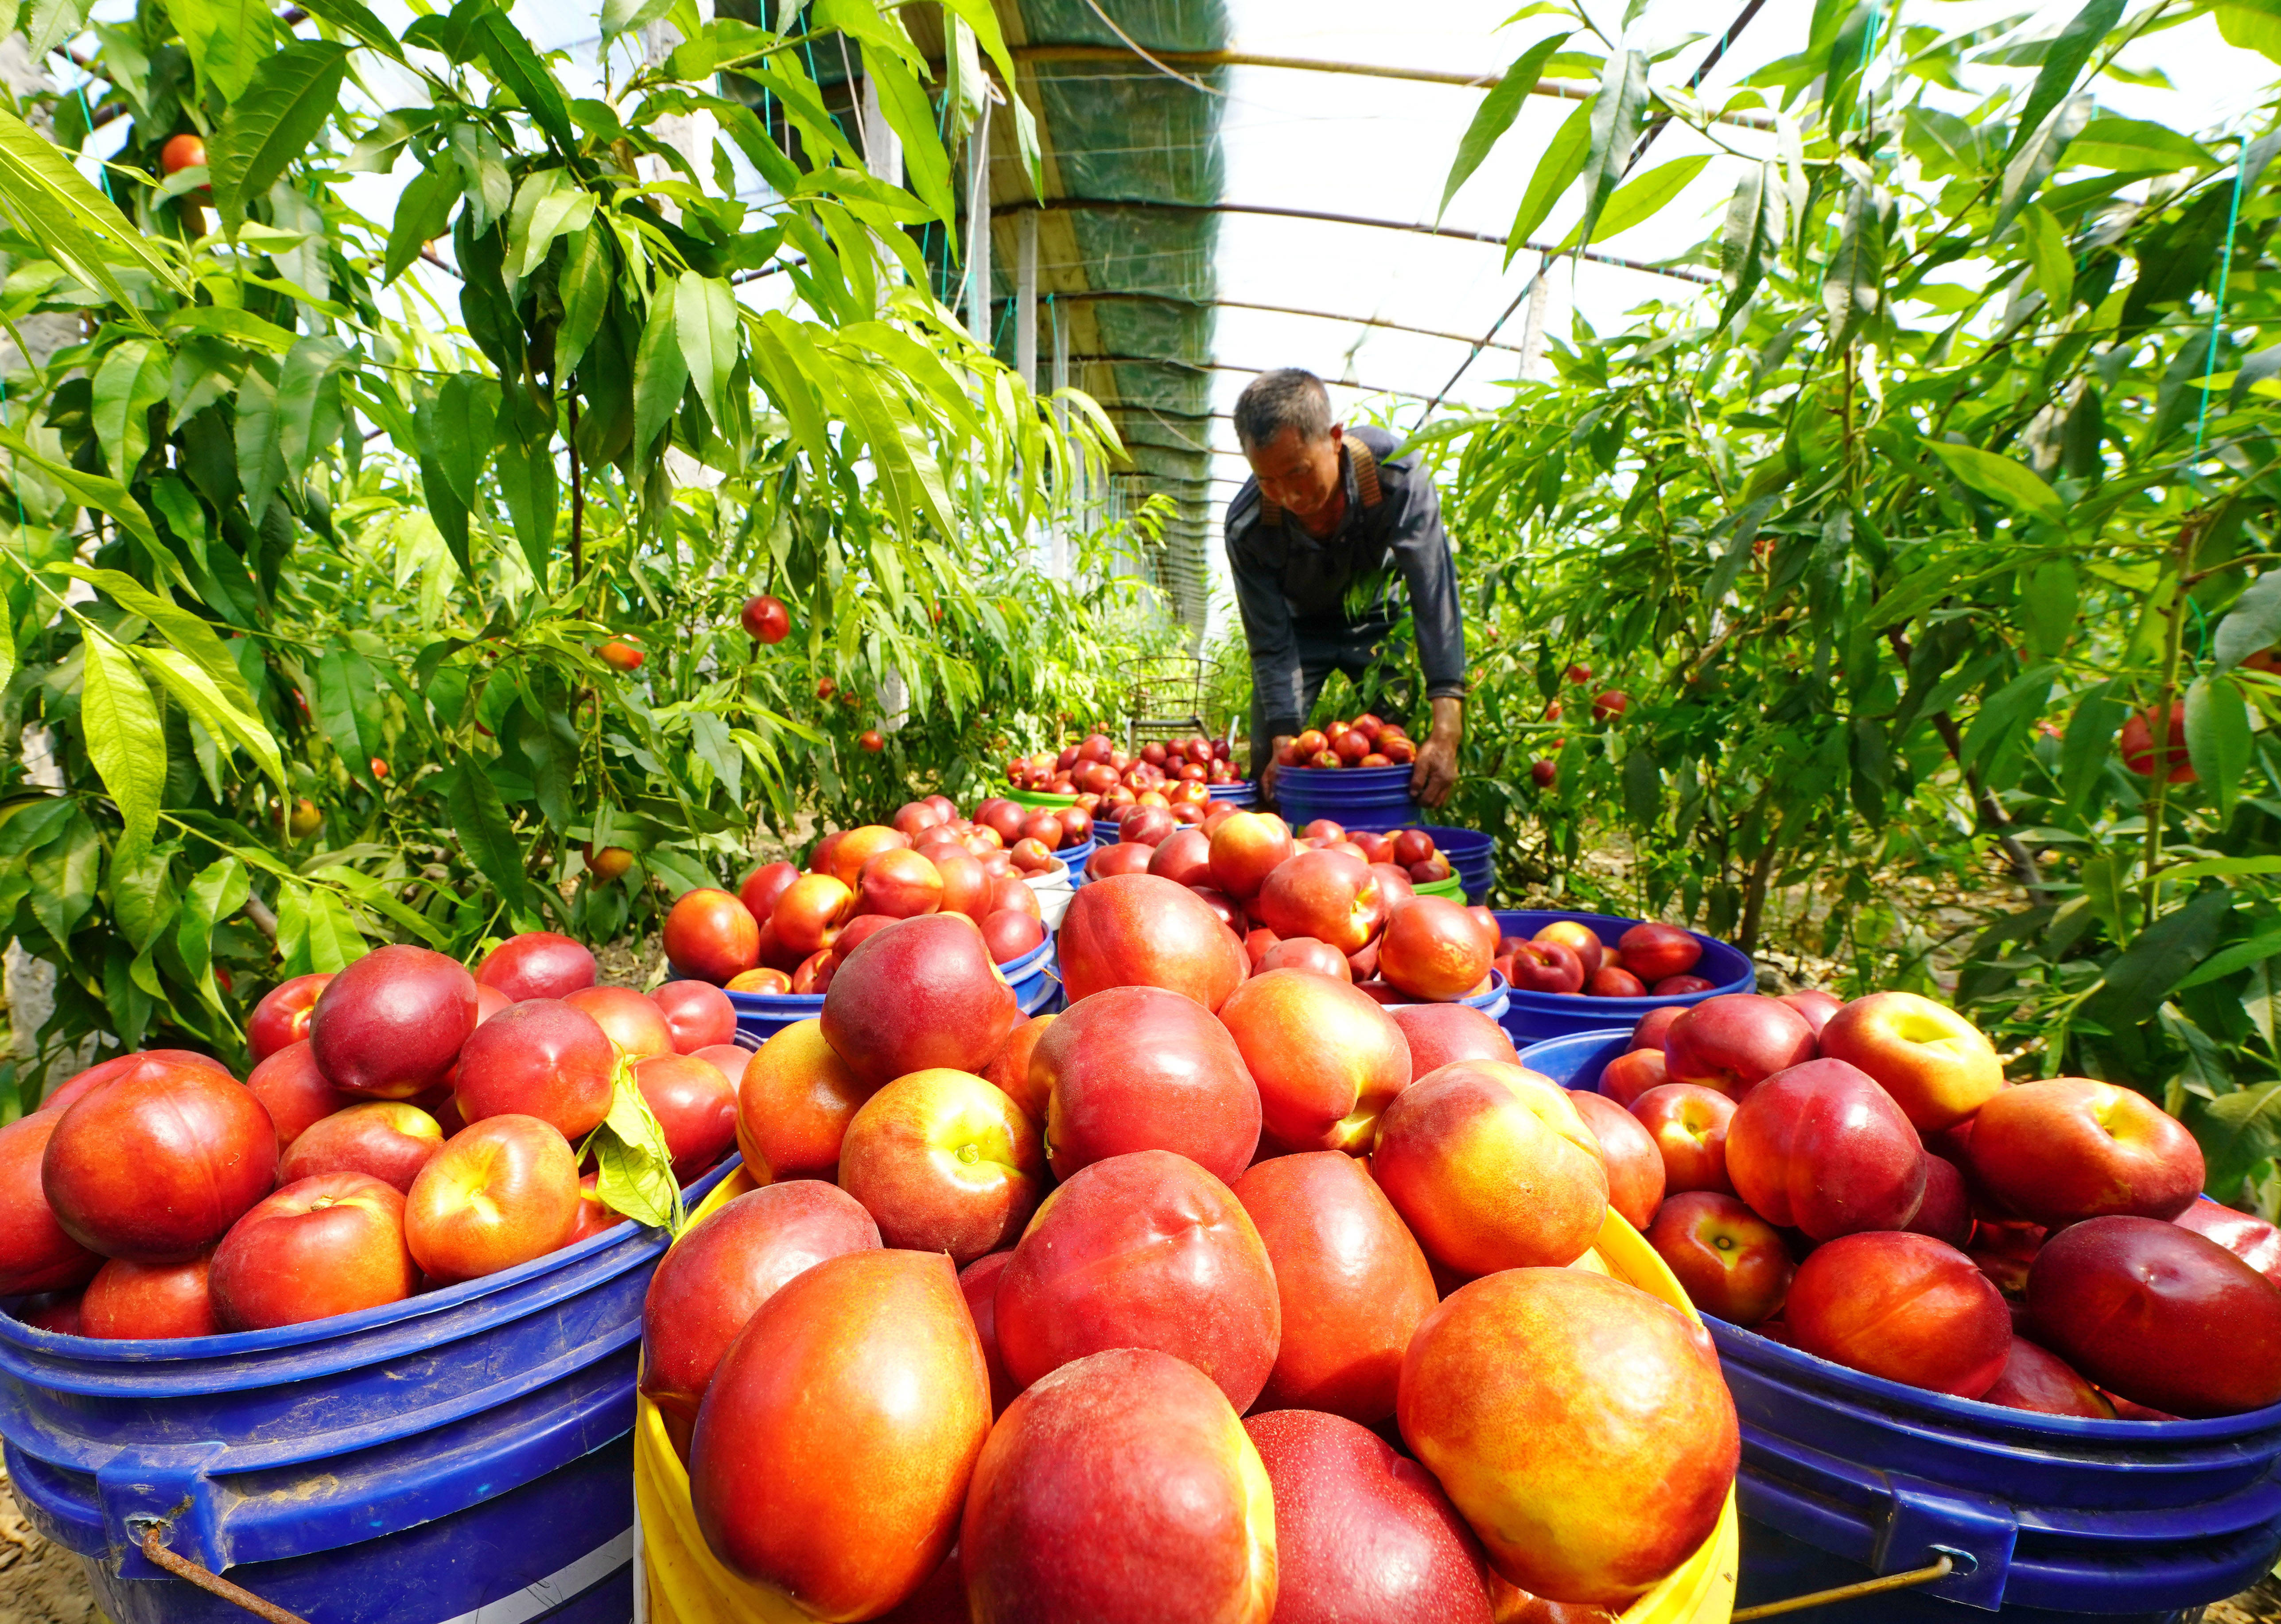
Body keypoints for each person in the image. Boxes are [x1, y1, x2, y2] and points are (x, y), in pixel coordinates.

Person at [1223, 368, 1467, 807]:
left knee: (1406, 753)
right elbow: (1270, 643)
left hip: (1377, 622)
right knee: (1270, 761)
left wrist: (1447, 726)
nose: (1288, 495)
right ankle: (1275, 861)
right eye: (1267, 480)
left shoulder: (1397, 475)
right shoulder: (1248, 527)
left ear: (1335, 438)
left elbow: (1433, 594)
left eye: (1297, 473)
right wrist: (1282, 733)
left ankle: (1398, 853)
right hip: (1298, 635)